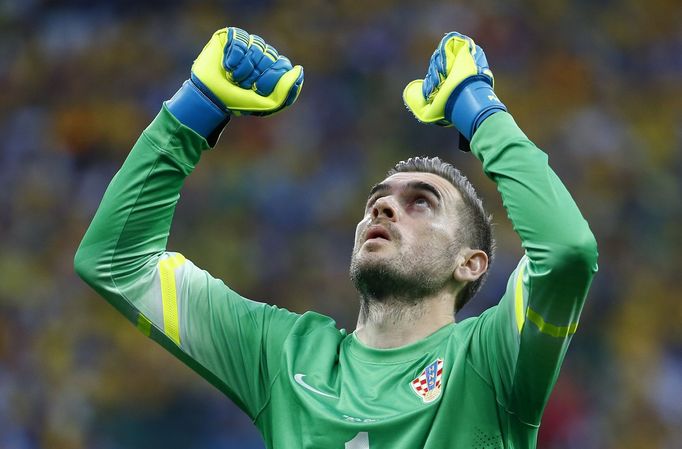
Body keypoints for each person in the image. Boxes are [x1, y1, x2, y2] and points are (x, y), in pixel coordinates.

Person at [75, 26, 598, 448]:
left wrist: (479, 110)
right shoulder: (284, 356)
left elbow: (568, 252)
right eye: (379, 199)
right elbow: (117, 262)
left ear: (471, 263)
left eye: (422, 202)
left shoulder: (492, 359)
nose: (386, 205)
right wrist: (195, 109)